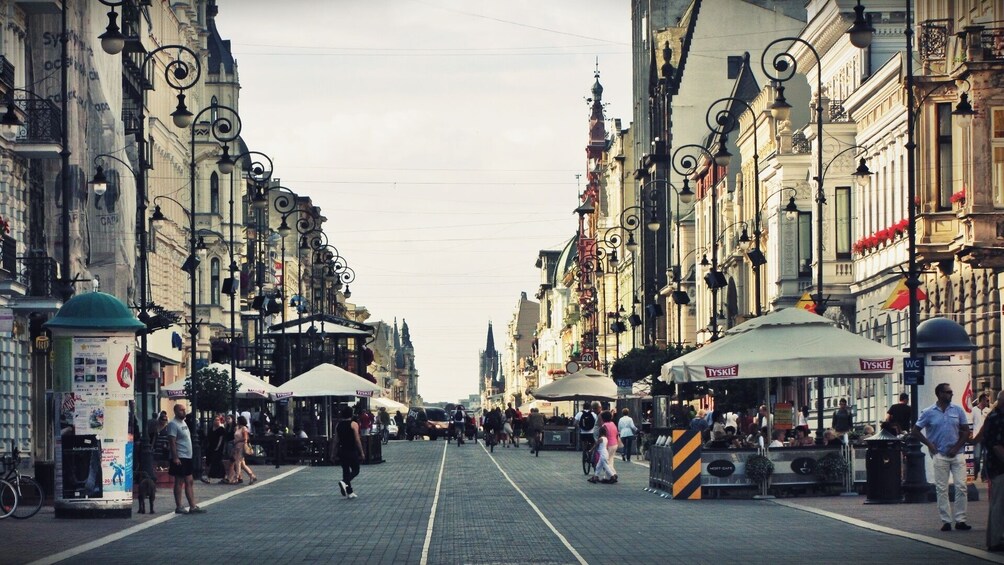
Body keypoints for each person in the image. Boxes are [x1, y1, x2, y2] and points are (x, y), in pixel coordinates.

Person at [913, 382, 971, 532]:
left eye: (951, 392)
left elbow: (966, 431)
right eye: (948, 392)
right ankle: (946, 520)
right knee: (941, 488)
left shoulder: (957, 410)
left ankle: (960, 520)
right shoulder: (928, 412)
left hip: (957, 454)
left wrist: (957, 447)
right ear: (939, 394)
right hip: (939, 455)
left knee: (961, 486)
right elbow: (916, 430)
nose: (951, 394)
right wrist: (929, 445)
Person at [165, 403, 205, 514]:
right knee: (179, 481)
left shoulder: (183, 422)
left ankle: (192, 506)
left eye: (184, 410)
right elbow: (172, 442)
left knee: (190, 481)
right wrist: (175, 457)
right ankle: (179, 506)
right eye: (181, 410)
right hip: (180, 457)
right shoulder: (173, 424)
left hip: (187, 457)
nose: (184, 412)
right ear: (176, 411)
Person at [978, 390, 1004, 551]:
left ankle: (997, 538)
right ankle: (994, 540)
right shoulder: (998, 419)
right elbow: (997, 445)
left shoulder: (993, 417)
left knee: (999, 504)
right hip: (1000, 467)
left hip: (995, 466)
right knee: (998, 504)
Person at [334, 405, 365, 499]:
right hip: (351, 449)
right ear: (351, 414)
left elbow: (336, 440)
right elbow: (357, 439)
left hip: (342, 450)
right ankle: (344, 482)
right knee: (356, 469)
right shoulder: (354, 424)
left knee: (346, 470)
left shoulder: (338, 425)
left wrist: (332, 453)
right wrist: (362, 452)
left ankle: (350, 492)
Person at [588, 414, 617, 484]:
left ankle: (613, 476)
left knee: (606, 465)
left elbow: (595, 445)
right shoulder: (612, 425)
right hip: (610, 447)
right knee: (599, 466)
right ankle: (595, 476)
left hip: (604, 453)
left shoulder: (601, 436)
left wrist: (591, 450)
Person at [229, 415, 258, 485]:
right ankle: (251, 475)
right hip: (236, 446)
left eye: (238, 420)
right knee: (242, 464)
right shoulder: (237, 428)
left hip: (241, 446)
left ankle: (237, 477)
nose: (236, 421)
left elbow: (245, 438)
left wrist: (238, 441)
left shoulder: (244, 428)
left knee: (238, 462)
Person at [973, 393, 990, 481]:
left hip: (986, 437)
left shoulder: (988, 410)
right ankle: (976, 472)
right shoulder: (974, 410)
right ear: (982, 400)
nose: (988, 402)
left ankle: (984, 476)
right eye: (987, 400)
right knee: (977, 457)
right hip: (977, 437)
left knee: (986, 457)